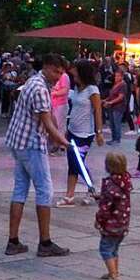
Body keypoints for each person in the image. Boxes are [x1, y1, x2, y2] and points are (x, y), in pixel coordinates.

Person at [4, 54, 71, 257]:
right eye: (56, 72)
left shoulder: (33, 81)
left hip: (18, 142)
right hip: (31, 144)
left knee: (20, 190)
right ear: (47, 68)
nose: (59, 77)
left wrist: (59, 134)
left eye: (61, 73)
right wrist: (63, 141)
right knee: (45, 190)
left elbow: (48, 117)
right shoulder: (40, 88)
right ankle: (45, 243)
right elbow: (47, 122)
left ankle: (13, 241)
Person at [57, 61, 104, 207]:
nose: (73, 74)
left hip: (85, 133)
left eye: (76, 71)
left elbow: (98, 111)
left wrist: (99, 132)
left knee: (78, 163)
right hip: (72, 131)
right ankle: (70, 195)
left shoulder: (92, 90)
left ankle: (91, 190)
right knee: (73, 164)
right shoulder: (77, 89)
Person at [94, 151, 132, 280]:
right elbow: (116, 199)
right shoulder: (125, 181)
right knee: (114, 248)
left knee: (105, 249)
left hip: (111, 224)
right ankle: (114, 271)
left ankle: (114, 277)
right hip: (122, 223)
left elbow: (106, 208)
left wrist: (98, 219)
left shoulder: (111, 185)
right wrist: (101, 197)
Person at [49, 62, 71, 155]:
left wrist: (53, 93)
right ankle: (56, 144)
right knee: (54, 125)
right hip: (54, 104)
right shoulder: (56, 76)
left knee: (60, 125)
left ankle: (60, 146)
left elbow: (65, 90)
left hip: (61, 104)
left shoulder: (64, 76)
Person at [102, 70, 128, 145]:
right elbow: (111, 95)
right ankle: (113, 138)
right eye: (116, 76)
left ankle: (117, 139)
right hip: (111, 107)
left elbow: (121, 97)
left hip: (118, 107)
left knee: (117, 123)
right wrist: (105, 100)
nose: (116, 77)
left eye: (118, 76)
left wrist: (111, 102)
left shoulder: (123, 85)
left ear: (122, 77)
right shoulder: (115, 84)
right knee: (112, 123)